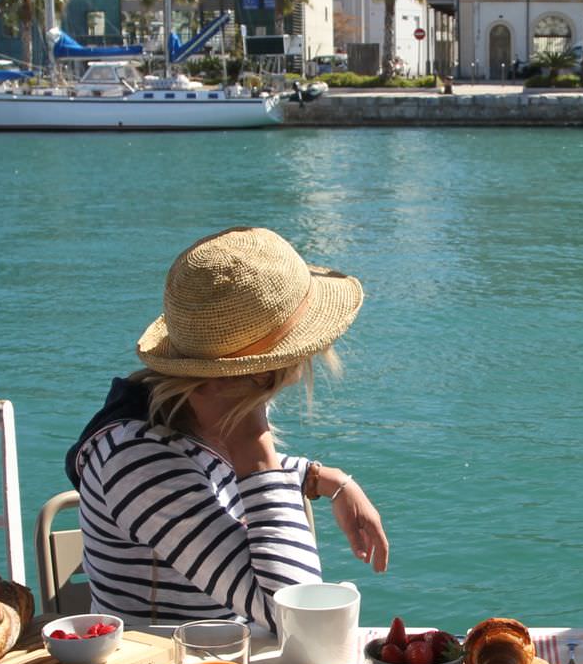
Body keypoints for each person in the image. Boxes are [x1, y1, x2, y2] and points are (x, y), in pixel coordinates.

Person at [67, 226, 389, 631]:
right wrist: (256, 447)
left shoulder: (194, 412)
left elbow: (209, 470)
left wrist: (323, 478)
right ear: (265, 372)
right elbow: (299, 618)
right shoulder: (137, 458)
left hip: (227, 657)